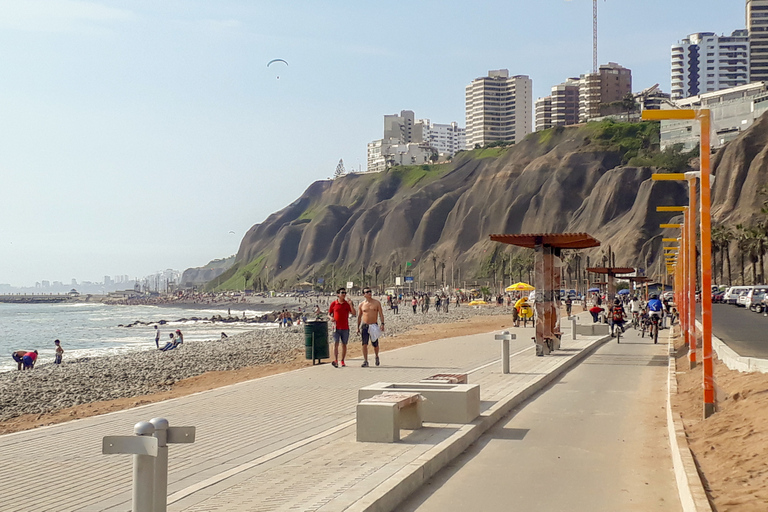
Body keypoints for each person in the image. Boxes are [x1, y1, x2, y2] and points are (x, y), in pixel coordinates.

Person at [357, 287, 385, 367]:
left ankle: (376, 356)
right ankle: (365, 360)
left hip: (373, 325)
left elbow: (381, 314)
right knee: (364, 343)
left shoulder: (376, 303)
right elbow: (359, 316)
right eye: (367, 292)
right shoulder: (361, 304)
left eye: (370, 291)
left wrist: (382, 324)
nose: (369, 293)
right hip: (365, 325)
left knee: (375, 344)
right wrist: (357, 327)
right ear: (364, 294)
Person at [328, 287, 355, 368]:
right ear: (338, 294)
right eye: (342, 292)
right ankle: (336, 360)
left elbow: (353, 313)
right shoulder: (333, 304)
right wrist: (331, 318)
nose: (344, 294)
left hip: (345, 327)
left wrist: (351, 304)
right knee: (336, 343)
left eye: (344, 293)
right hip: (336, 327)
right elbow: (328, 314)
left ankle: (342, 360)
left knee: (344, 344)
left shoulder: (347, 304)